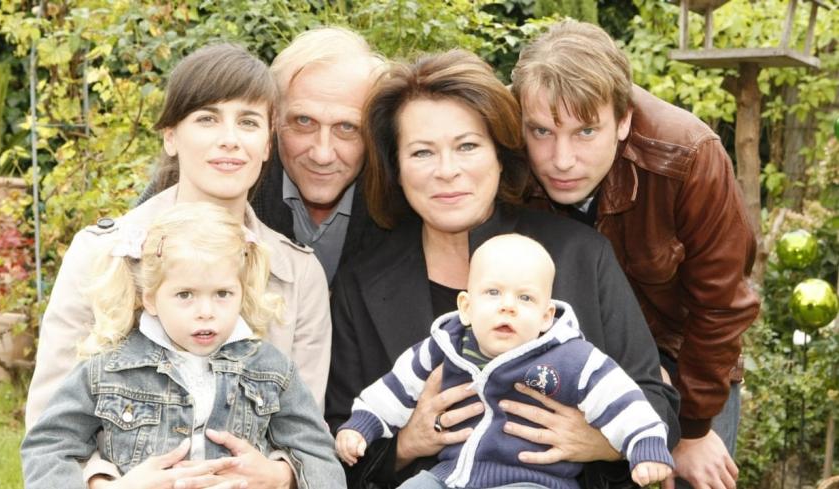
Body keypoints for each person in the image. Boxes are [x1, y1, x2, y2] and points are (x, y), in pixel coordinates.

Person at [325, 49, 680, 489]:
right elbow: (333, 441)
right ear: (395, 167)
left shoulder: (580, 255)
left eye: (467, 146)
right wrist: (406, 445)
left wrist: (599, 443)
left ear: (500, 154)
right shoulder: (361, 283)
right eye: (421, 152)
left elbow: (656, 402)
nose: (447, 171)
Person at [25, 43, 331, 488]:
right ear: (171, 136)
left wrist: (280, 476)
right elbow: (48, 431)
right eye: (207, 118)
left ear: (268, 144)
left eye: (248, 122)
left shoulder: (298, 273)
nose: (230, 139)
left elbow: (307, 433)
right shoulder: (101, 253)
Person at [511, 20, 760, 489]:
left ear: (623, 119)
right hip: (568, 356)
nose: (561, 160)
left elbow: (721, 306)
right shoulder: (502, 145)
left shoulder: (689, 157)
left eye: (586, 131)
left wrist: (690, 429)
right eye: (541, 131)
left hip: (687, 359)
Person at [21, 203, 344, 489]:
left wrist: (282, 476)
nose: (206, 311)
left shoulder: (271, 370)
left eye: (222, 294)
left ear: (242, 293)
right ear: (151, 299)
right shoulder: (108, 369)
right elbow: (49, 445)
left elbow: (316, 452)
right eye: (185, 295)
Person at [336, 234, 674, 488]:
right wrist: (362, 424)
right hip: (451, 476)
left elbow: (621, 399)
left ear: (546, 316)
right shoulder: (445, 346)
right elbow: (395, 387)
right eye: (493, 293)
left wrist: (645, 443)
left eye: (525, 297)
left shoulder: (570, 357)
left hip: (534, 480)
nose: (507, 306)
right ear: (466, 307)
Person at [249, 27, 388, 283]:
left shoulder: (400, 203)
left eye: (347, 127)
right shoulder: (235, 186)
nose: (322, 155)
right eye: (304, 121)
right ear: (274, 118)